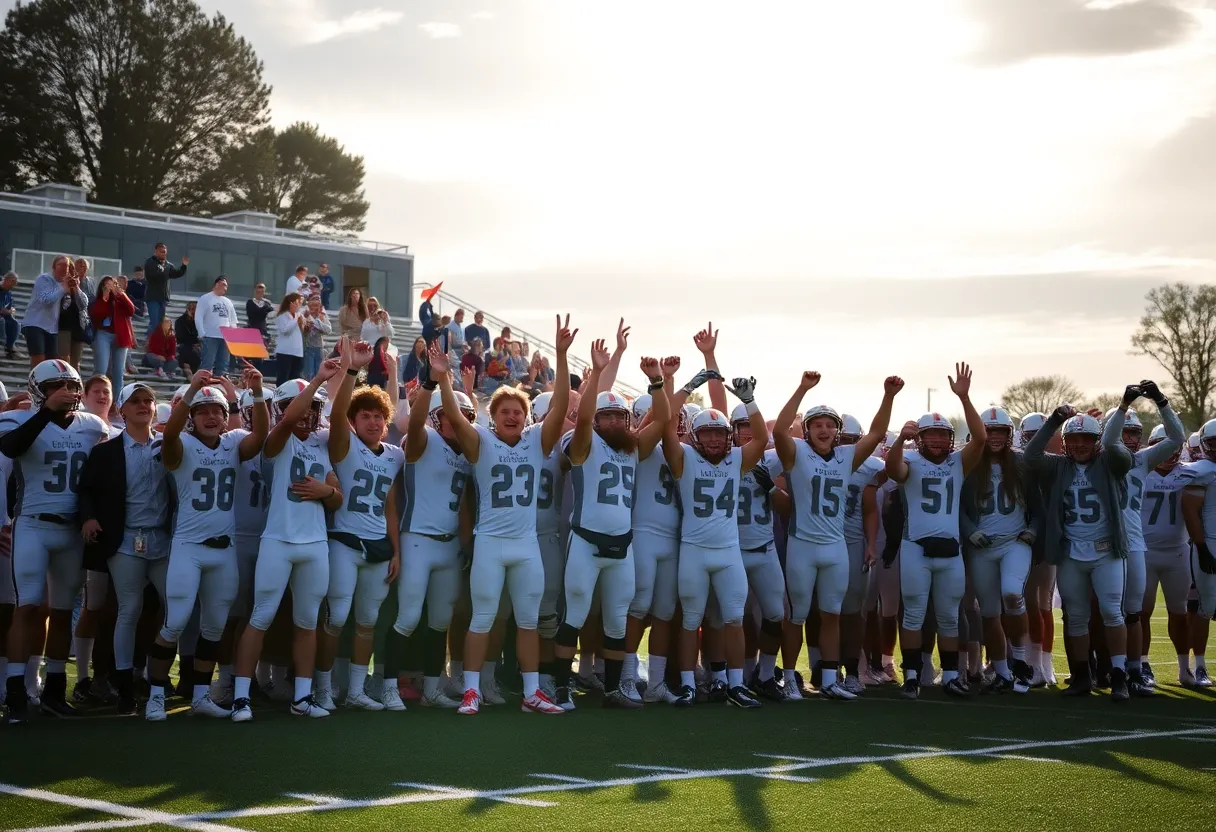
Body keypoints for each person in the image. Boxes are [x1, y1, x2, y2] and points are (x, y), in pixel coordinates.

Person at [429, 314, 577, 715]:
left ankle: (532, 693)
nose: (512, 416)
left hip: (526, 544)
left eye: (518, 411)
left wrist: (561, 357)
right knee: (482, 618)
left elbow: (561, 404)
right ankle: (472, 690)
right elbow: (455, 417)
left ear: (527, 416)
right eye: (505, 411)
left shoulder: (536, 441)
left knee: (528, 621)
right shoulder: (482, 443)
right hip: (491, 543)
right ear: (494, 416)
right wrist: (444, 379)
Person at [553, 349, 670, 709]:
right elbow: (584, 418)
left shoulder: (633, 448)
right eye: (608, 417)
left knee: (617, 620)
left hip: (622, 547)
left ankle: (615, 689)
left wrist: (656, 382)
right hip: (586, 542)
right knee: (574, 615)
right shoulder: (584, 443)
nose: (616, 422)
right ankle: (560, 686)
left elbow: (663, 419)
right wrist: (597, 376)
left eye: (620, 416)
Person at [150, 366, 267, 721]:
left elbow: (261, 434)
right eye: (204, 411)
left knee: (214, 626)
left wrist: (258, 392)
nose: (212, 416)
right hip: (189, 546)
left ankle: (201, 695)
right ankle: (156, 694)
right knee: (176, 622)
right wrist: (190, 394)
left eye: (217, 410)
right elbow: (169, 436)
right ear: (192, 417)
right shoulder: (180, 444)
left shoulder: (233, 443)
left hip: (224, 549)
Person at [230, 364, 343, 721]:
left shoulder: (322, 446)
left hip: (314, 543)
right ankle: (240, 697)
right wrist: (320, 379)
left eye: (314, 407)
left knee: (307, 622)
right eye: (302, 406)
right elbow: (289, 418)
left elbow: (337, 497)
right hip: (278, 539)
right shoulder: (277, 439)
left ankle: (302, 696)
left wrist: (327, 491)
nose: (309, 413)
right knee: (260, 617)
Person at [0, 360, 109, 723]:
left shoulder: (93, 427)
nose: (67, 391)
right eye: (56, 386)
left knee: (63, 612)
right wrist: (45, 411)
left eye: (71, 385)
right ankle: (15, 691)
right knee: (27, 607)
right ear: (38, 390)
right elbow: (11, 448)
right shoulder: (18, 420)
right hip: (32, 525)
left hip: (72, 531)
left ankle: (54, 689)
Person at [662, 367, 770, 708]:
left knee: (734, 619)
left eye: (718, 434)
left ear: (729, 437)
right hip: (694, 550)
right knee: (691, 621)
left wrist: (749, 401)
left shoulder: (737, 459)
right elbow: (666, 425)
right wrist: (688, 387)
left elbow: (762, 439)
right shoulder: (685, 459)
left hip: (728, 552)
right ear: (694, 437)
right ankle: (689, 684)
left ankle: (736, 685)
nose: (713, 440)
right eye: (706, 434)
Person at [884, 363, 986, 701]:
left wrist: (965, 398)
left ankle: (952, 675)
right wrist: (899, 437)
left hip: (951, 549)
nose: (939, 440)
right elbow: (892, 469)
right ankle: (912, 676)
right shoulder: (910, 460)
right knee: (913, 613)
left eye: (944, 435)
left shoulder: (959, 462)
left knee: (949, 616)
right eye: (933, 435)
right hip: (915, 547)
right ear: (921, 438)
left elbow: (982, 437)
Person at [1023, 395, 1136, 701]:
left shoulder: (1109, 461)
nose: (1080, 445)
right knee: (1076, 617)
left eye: (1087, 439)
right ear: (1065, 442)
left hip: (1106, 550)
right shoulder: (1059, 466)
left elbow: (1117, 451)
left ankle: (1119, 675)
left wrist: (1121, 411)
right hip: (1071, 551)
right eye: (1074, 439)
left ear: (1097, 441)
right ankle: (1082, 676)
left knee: (1113, 613)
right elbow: (1030, 456)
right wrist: (1054, 421)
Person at [313, 340, 406, 711]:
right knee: (336, 618)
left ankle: (354, 690)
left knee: (367, 621)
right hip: (345, 541)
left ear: (386, 423)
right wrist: (352, 371)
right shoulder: (344, 445)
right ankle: (322, 688)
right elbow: (336, 417)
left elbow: (391, 508)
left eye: (378, 417)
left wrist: (397, 550)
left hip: (378, 546)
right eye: (364, 416)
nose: (372, 422)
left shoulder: (395, 456)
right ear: (354, 421)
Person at [76, 382, 172, 714]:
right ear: (123, 409)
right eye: (137, 401)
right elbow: (86, 489)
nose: (144, 405)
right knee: (128, 610)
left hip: (163, 539)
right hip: (126, 539)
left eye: (149, 400)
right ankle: (124, 685)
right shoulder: (105, 450)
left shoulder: (168, 447)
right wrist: (88, 518)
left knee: (175, 606)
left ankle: (157, 679)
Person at [388, 358, 477, 711]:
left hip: (450, 545)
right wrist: (431, 383)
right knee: (408, 617)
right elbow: (417, 419)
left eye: (466, 417)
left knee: (441, 619)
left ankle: (431, 687)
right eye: (455, 415)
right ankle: (389, 685)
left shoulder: (469, 453)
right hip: (417, 540)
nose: (461, 422)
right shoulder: (423, 441)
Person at [959, 407, 1042, 693]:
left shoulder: (1021, 464)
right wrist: (970, 530)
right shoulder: (967, 465)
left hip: (1013, 542)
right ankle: (1003, 673)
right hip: (981, 546)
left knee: (1011, 592)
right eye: (988, 430)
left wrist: (1033, 529)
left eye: (999, 431)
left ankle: (1020, 660)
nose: (993, 437)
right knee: (989, 613)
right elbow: (954, 506)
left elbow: (1038, 506)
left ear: (1010, 434)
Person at [1140, 423, 1196, 687]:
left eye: (1174, 447)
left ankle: (1185, 668)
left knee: (1180, 612)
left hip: (1177, 552)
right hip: (1145, 552)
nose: (1170, 453)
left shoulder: (1191, 473)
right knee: (1142, 612)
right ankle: (1143, 665)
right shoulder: (1138, 472)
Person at [20, 255, 81, 366]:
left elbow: (81, 304)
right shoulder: (43, 279)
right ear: (54, 267)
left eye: (66, 266)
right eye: (60, 265)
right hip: (35, 324)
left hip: (52, 329)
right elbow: (46, 300)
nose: (64, 268)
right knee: (39, 358)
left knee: (51, 362)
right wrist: (63, 288)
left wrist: (76, 289)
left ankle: (46, 383)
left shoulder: (67, 283)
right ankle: (34, 382)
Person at [89, 276, 136, 394]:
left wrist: (120, 294)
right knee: (101, 369)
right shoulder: (98, 300)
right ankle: (95, 395)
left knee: (118, 372)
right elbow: (96, 314)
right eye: (108, 284)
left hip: (121, 336)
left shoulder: (121, 298)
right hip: (103, 334)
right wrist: (105, 297)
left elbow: (131, 310)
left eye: (113, 284)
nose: (111, 287)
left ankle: (117, 403)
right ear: (103, 286)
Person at [143, 243, 188, 338]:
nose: (164, 254)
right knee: (154, 322)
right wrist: (162, 270)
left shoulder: (168, 265)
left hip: (163, 298)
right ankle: (149, 343)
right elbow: (151, 276)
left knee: (160, 323)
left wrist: (183, 266)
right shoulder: (150, 262)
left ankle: (156, 344)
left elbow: (176, 274)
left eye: (165, 252)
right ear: (156, 251)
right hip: (153, 297)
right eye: (161, 252)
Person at [197, 277, 237, 377]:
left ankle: (220, 386)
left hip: (225, 338)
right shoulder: (205, 298)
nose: (225, 288)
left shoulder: (228, 302)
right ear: (217, 284)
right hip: (210, 336)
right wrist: (202, 333)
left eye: (227, 286)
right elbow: (198, 317)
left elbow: (233, 320)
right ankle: (202, 386)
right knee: (207, 364)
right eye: (224, 285)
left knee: (223, 365)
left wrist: (233, 336)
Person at [274, 293, 305, 383]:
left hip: (297, 352)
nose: (298, 305)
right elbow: (285, 329)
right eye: (297, 302)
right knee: (283, 378)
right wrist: (296, 318)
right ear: (291, 303)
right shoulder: (282, 316)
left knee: (295, 379)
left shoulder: (299, 316)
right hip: (285, 352)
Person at [301, 295, 331, 380]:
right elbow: (302, 331)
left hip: (319, 348)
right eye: (313, 306)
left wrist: (317, 323)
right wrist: (307, 328)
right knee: (309, 374)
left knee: (319, 374)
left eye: (317, 306)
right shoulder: (304, 316)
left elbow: (328, 330)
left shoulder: (322, 317)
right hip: (308, 348)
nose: (315, 308)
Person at [175, 302, 201, 376]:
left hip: (194, 347)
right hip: (183, 346)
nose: (193, 311)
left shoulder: (198, 322)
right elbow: (180, 336)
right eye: (191, 308)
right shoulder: (180, 321)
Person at [1, 271, 19, 359]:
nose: (14, 285)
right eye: (13, 282)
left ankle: (10, 348)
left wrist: (10, 311)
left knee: (14, 323)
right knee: (2, 321)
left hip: (4, 316)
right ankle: (8, 346)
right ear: (7, 280)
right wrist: (9, 311)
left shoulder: (8, 293)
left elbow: (11, 307)